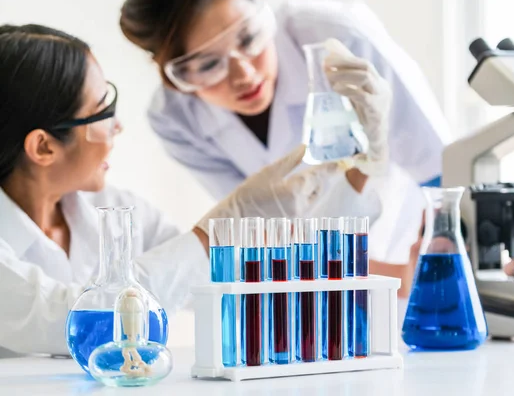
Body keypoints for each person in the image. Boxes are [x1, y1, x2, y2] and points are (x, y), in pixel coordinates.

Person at [0, 24, 347, 356]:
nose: (117, 125)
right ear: (43, 147)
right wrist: (217, 230)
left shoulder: (117, 210)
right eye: (101, 109)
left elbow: (220, 288)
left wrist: (354, 180)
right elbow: (76, 321)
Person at [119, 0, 450, 284]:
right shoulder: (176, 119)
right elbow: (260, 233)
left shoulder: (335, 33)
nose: (244, 75)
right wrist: (382, 276)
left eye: (248, 39)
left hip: (408, 251)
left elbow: (442, 168)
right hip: (304, 277)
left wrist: (432, 263)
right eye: (207, 64)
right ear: (173, 77)